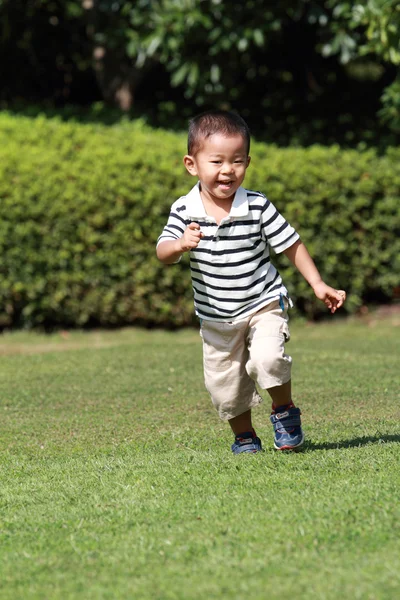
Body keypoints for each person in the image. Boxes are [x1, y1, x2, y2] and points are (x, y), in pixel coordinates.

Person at [156, 110, 346, 453]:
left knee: (267, 358)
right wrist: (181, 244)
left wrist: (318, 284)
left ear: (247, 162)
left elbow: (291, 243)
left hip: (263, 302)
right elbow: (163, 251)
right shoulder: (184, 210)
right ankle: (244, 435)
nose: (228, 170)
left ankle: (284, 411)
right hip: (216, 317)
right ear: (191, 164)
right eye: (217, 161)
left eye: (238, 161)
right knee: (224, 387)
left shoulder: (257, 205)